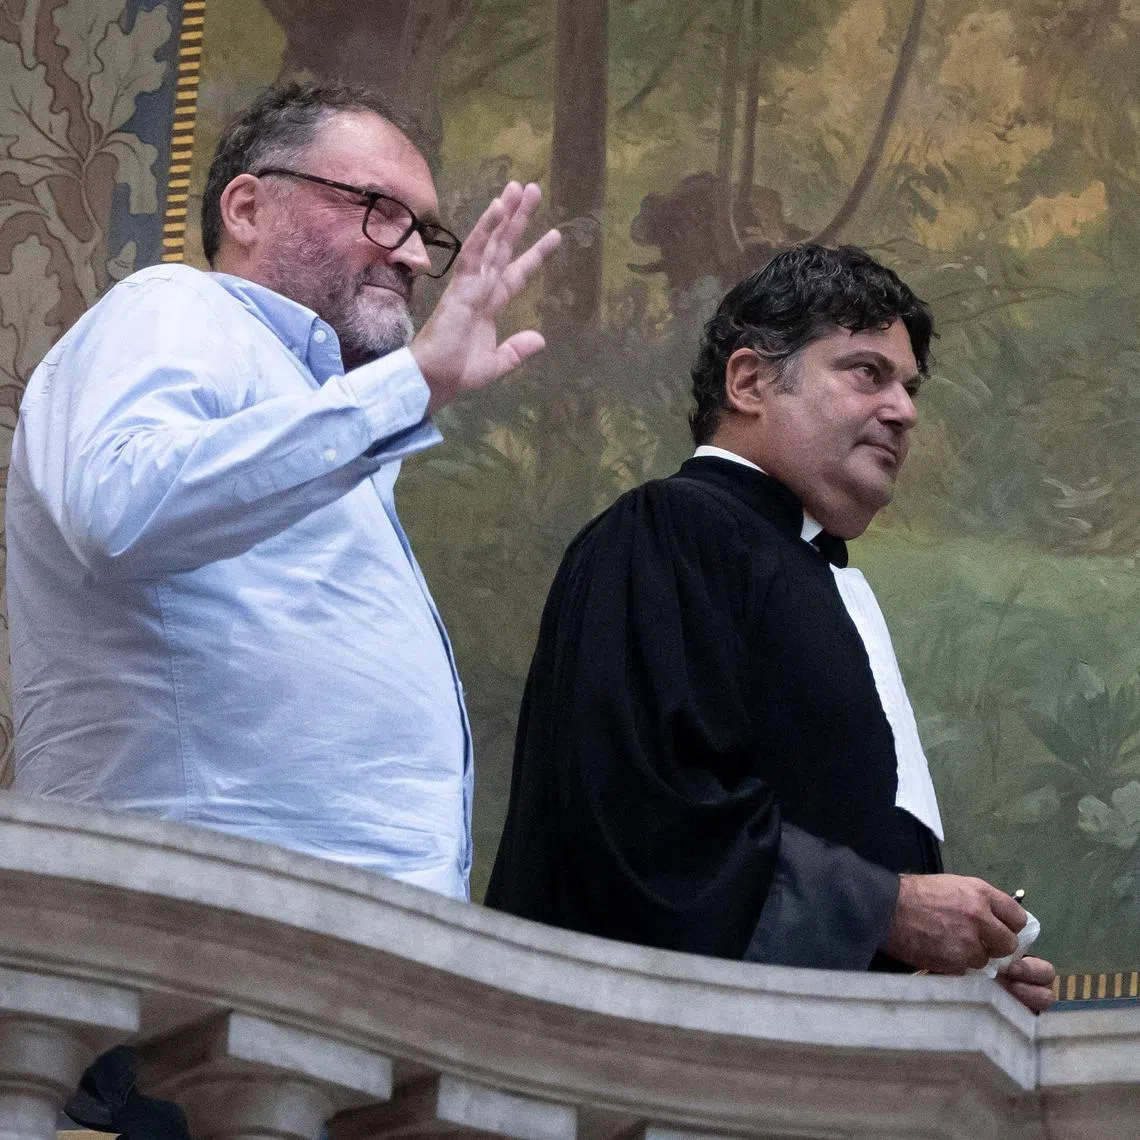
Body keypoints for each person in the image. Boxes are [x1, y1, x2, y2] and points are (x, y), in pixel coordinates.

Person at [7, 79, 559, 899]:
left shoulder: (328, 409)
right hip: (191, 925)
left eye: (423, 231)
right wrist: (406, 388)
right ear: (246, 209)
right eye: (377, 207)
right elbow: (120, 507)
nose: (411, 255)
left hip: (334, 938)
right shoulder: (175, 305)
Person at [486, 244, 1055, 1013]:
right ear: (750, 381)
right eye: (867, 372)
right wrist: (885, 910)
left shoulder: (809, 568)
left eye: (910, 387)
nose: (905, 410)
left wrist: (955, 982)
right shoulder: (666, 530)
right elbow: (643, 817)